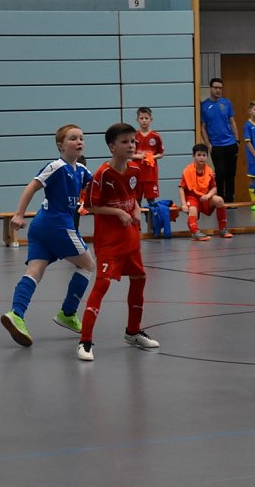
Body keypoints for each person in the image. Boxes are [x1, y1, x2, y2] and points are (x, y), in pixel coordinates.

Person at [0, 124, 95, 348]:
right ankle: (68, 313)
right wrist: (19, 214)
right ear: (60, 146)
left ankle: (16, 314)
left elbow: (97, 187)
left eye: (81, 138)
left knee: (35, 271)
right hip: (56, 224)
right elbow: (31, 187)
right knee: (87, 265)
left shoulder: (82, 171)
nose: (79, 142)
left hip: (42, 227)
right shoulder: (57, 166)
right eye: (73, 138)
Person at [76, 123, 160, 361]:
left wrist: (136, 209)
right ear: (112, 147)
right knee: (101, 286)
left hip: (130, 238)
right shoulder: (102, 174)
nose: (131, 145)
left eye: (133, 141)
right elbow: (90, 206)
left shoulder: (135, 169)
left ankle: (133, 332)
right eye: (125, 142)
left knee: (139, 279)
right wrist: (118, 212)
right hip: (109, 242)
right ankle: (85, 341)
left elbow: (133, 198)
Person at [179, 144, 232, 241]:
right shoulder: (187, 171)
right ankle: (195, 232)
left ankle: (223, 229)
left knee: (219, 200)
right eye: (199, 155)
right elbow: (181, 188)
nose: (201, 157)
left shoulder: (209, 171)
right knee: (192, 210)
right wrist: (183, 204)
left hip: (205, 197)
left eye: (204, 155)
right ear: (193, 156)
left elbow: (214, 188)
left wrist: (208, 196)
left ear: (207, 157)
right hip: (192, 197)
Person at [200, 77, 239, 203]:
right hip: (216, 146)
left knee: (230, 173)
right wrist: (208, 145)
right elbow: (203, 128)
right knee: (220, 172)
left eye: (220, 88)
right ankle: (220, 199)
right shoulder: (204, 106)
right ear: (210, 88)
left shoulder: (226, 103)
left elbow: (232, 122)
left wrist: (237, 140)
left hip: (230, 144)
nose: (218, 90)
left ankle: (230, 200)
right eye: (216, 88)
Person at [133, 107, 164, 205]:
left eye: (146, 118)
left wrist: (152, 157)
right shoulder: (134, 136)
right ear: (137, 120)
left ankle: (151, 216)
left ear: (151, 119)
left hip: (151, 175)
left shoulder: (156, 136)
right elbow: (129, 155)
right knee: (136, 202)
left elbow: (161, 154)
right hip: (137, 174)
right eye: (141, 118)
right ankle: (137, 216)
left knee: (151, 202)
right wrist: (138, 156)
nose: (144, 120)